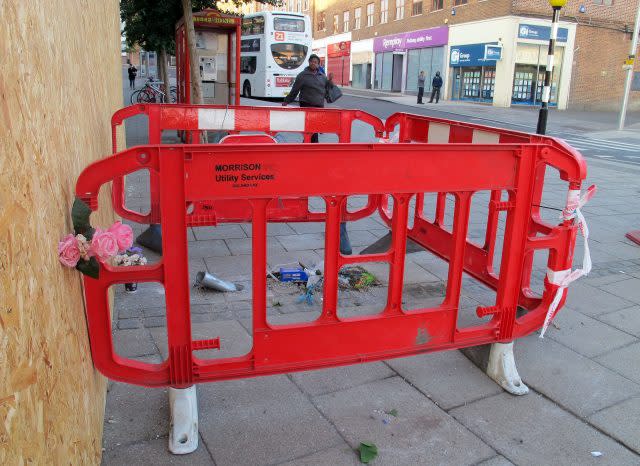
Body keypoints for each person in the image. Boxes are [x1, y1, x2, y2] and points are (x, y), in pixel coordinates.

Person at [282, 54, 352, 255]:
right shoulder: (303, 76)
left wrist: (330, 81)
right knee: (309, 134)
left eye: (317, 62)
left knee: (315, 136)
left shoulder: (321, 77)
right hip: (306, 108)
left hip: (319, 110)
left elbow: (329, 92)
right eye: (312, 62)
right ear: (309, 63)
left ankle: (313, 153)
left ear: (319, 64)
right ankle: (308, 153)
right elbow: (295, 91)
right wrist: (287, 102)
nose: (314, 64)